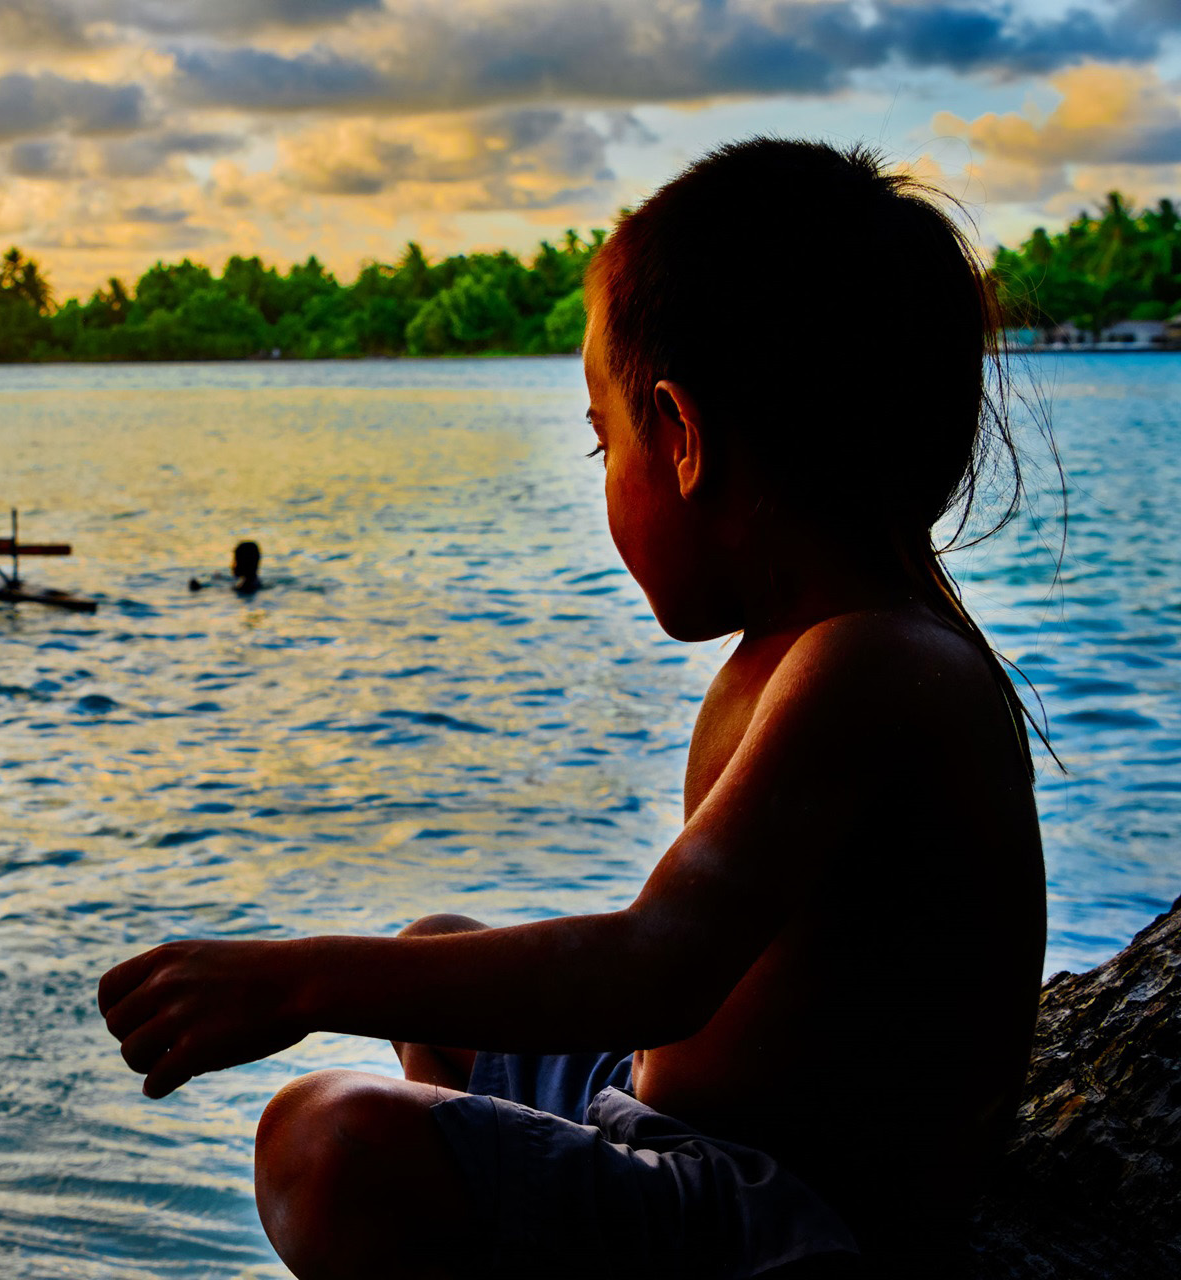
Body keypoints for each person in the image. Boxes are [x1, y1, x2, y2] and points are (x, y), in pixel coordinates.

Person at [98, 139, 1048, 1278]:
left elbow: (660, 962)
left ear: (683, 438)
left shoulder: (870, 665)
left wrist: (298, 978)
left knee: (327, 1138)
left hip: (781, 1221)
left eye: (607, 444)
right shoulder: (814, 642)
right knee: (436, 955)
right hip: (664, 1122)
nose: (603, 478)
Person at [188, 540, 262, 595]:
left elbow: (229, 591)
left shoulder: (246, 586)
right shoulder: (255, 582)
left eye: (236, 561)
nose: (232, 566)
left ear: (246, 563)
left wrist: (201, 587)